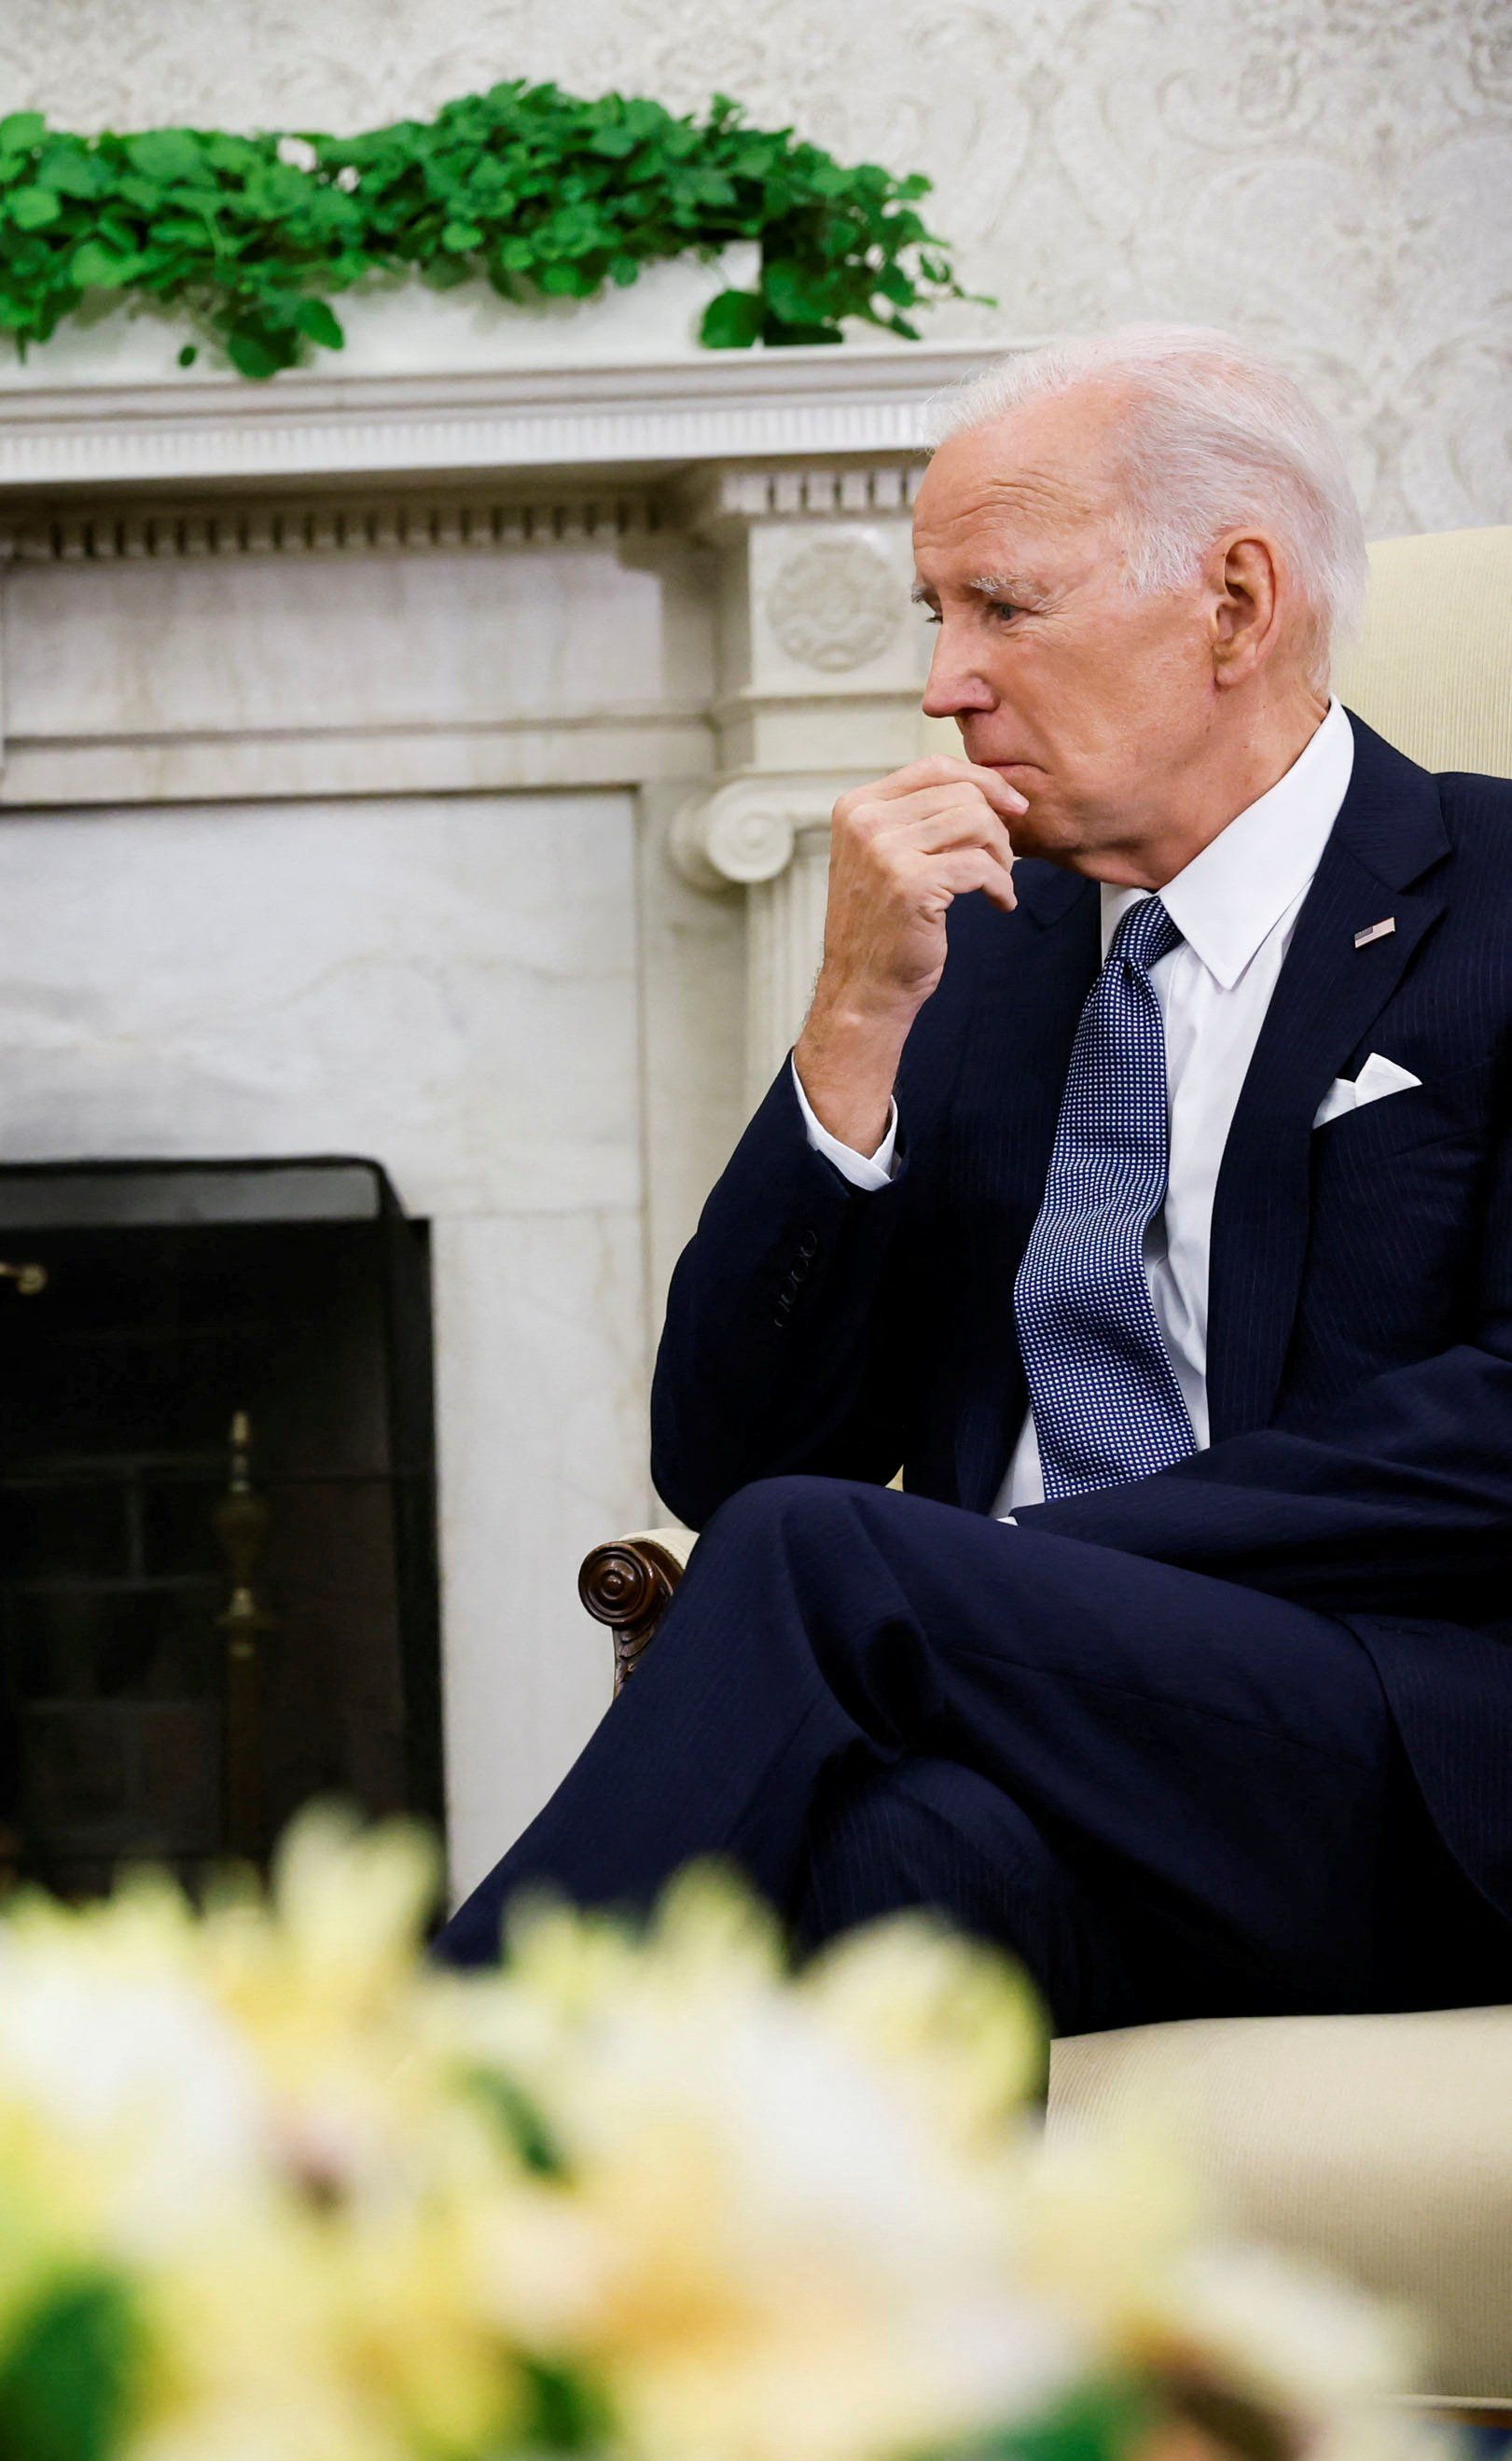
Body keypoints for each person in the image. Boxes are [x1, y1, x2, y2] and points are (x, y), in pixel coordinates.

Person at [437, 327, 1512, 2036]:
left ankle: (384, 2122)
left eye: (1000, 608)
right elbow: (726, 1458)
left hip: (1397, 1767)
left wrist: (1025, 1570)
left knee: (814, 1559)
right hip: (1023, 1753)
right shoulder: (974, 958)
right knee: (903, 1859)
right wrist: (851, 1015)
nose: (943, 679)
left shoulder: (1499, 898)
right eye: (937, 614)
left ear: (1234, 602)